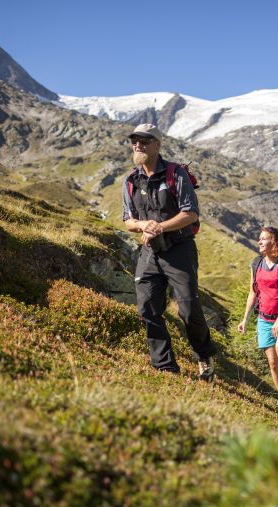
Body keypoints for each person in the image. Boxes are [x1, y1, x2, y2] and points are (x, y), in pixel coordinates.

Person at [121, 123, 216, 380]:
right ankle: (165, 366)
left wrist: (159, 227)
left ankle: (204, 356)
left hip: (179, 250)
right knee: (147, 308)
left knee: (188, 308)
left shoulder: (176, 174)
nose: (138, 145)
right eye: (134, 141)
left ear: (157, 144)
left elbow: (190, 213)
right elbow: (128, 220)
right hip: (150, 253)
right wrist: (143, 225)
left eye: (144, 140)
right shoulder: (130, 180)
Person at [237, 227, 278, 406]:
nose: (259, 241)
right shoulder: (256, 264)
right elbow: (253, 293)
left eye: (264, 238)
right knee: (272, 363)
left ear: (275, 242)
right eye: (259, 238)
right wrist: (245, 319)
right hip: (264, 318)